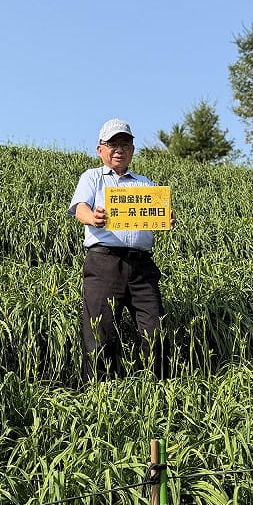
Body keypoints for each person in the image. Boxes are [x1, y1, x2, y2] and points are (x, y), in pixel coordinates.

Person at [68, 118, 173, 382]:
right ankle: (97, 393)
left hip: (142, 266)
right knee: (99, 332)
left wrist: (166, 218)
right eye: (112, 143)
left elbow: (156, 215)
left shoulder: (145, 184)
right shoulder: (92, 177)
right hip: (104, 263)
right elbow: (79, 208)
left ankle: (156, 389)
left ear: (133, 149)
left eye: (125, 143)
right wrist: (92, 217)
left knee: (154, 329)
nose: (119, 149)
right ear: (100, 149)